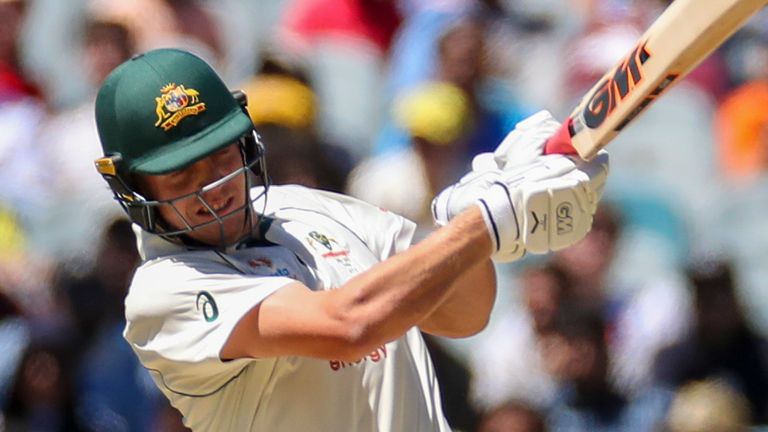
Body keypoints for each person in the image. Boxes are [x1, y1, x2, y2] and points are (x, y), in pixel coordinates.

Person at [92, 48, 608, 431]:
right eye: (181, 175)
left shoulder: (310, 207)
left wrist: (465, 217)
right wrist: (482, 223)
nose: (215, 188)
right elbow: (348, 325)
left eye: (221, 156)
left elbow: (462, 315)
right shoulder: (164, 293)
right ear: (133, 189)